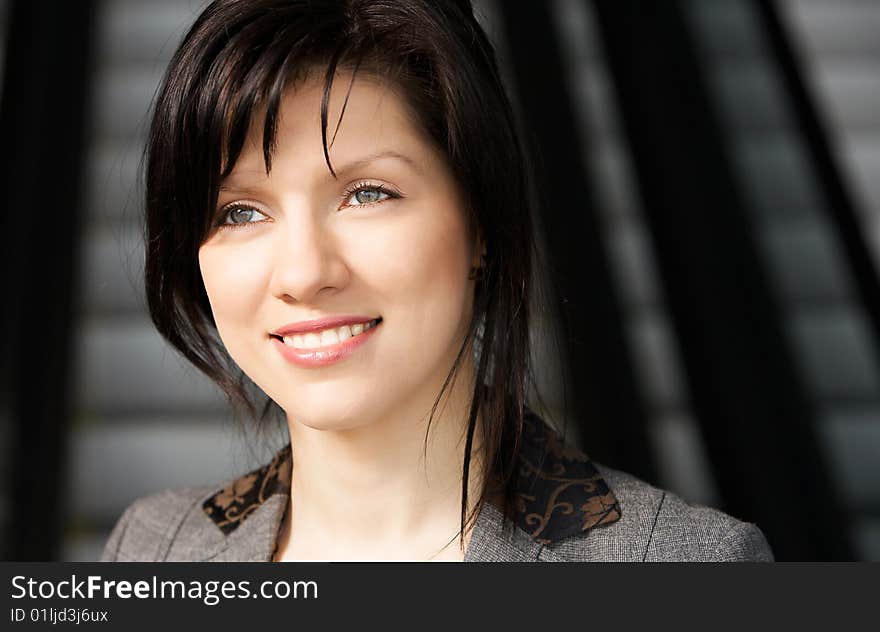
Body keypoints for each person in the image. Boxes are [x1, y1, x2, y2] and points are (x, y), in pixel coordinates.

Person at [101, 0, 773, 562]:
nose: (304, 274)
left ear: (478, 217)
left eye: (366, 193)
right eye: (241, 211)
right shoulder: (153, 550)